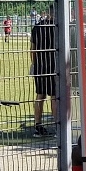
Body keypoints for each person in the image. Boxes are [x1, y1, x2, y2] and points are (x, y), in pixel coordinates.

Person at [30, 9, 58, 138]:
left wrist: (34, 64)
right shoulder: (57, 27)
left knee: (40, 95)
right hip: (54, 65)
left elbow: (33, 49)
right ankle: (58, 126)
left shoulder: (37, 27)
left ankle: (38, 125)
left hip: (40, 65)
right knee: (54, 96)